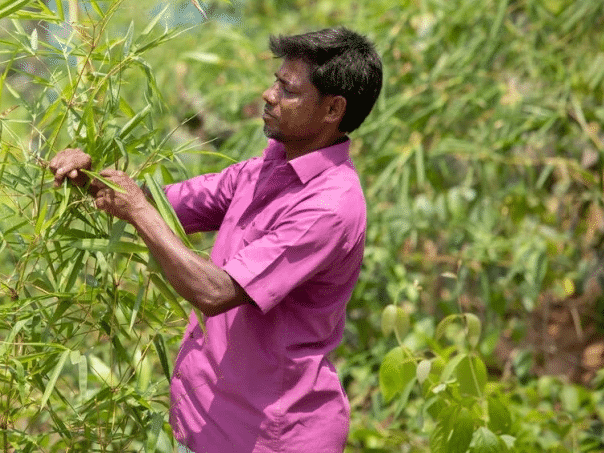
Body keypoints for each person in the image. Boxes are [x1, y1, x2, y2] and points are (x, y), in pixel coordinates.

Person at [49, 27, 383, 453]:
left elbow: (214, 291)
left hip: (267, 437)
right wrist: (88, 175)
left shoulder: (329, 206)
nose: (269, 94)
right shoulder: (263, 171)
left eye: (287, 88)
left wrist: (136, 209)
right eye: (275, 81)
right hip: (208, 423)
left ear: (333, 109)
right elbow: (157, 204)